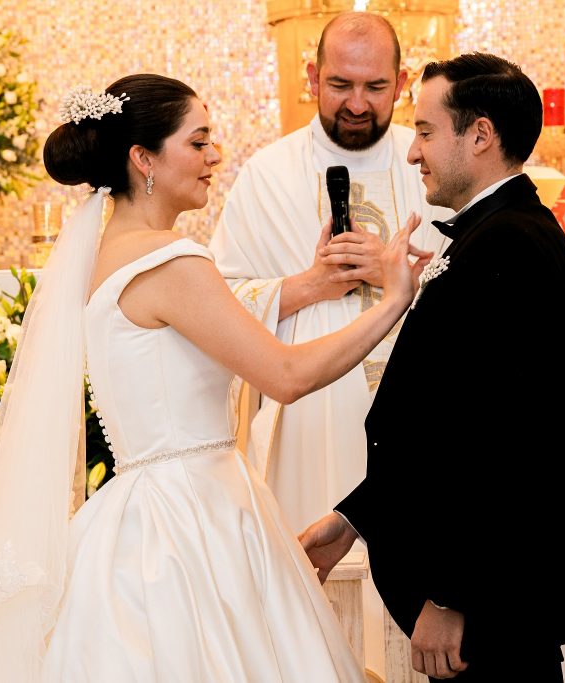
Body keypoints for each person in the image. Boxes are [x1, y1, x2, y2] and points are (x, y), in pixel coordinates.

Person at [0, 74, 430, 682]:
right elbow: (285, 374)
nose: (214, 156)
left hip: (139, 508)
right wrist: (392, 302)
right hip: (198, 514)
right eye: (198, 142)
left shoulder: (106, 257)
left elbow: (189, 332)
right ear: (143, 158)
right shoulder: (172, 260)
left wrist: (309, 284)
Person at [300, 53, 565, 682]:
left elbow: (506, 437)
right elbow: (443, 421)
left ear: (480, 135)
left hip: (488, 602)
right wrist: (355, 518)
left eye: (424, 131)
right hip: (487, 600)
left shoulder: (510, 241)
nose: (412, 153)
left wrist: (451, 594)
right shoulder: (491, 233)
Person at [208, 11, 450, 534]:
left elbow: (478, 289)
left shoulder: (437, 164)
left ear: (402, 85)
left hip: (424, 417)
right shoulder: (266, 175)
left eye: (376, 86)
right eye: (340, 84)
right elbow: (218, 303)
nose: (358, 103)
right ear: (313, 78)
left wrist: (399, 279)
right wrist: (309, 285)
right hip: (307, 425)